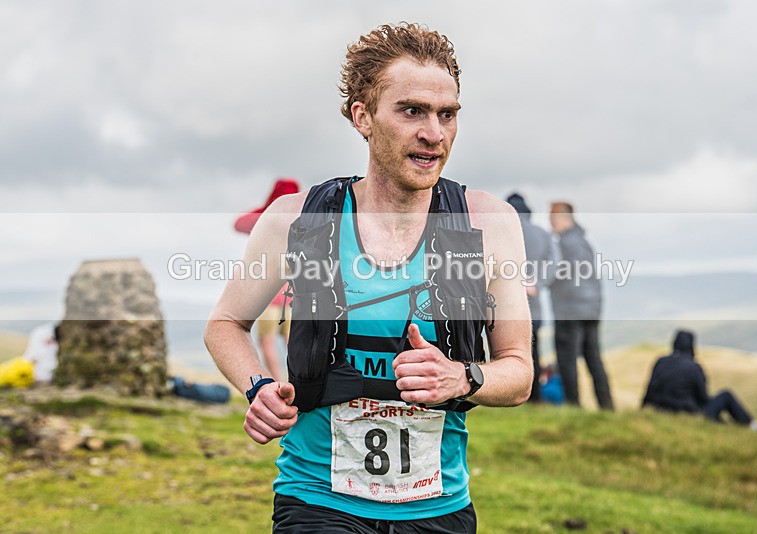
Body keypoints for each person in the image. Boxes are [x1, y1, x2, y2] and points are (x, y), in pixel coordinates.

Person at [205, 22, 532, 533]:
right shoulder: (297, 219)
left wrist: (461, 376)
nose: (434, 133)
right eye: (411, 111)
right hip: (317, 500)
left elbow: (519, 372)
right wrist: (259, 387)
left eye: (447, 114)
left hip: (438, 509)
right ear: (363, 116)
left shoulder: (488, 223)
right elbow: (225, 323)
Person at [234, 178, 301, 382]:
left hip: (269, 299)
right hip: (295, 300)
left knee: (267, 342)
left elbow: (239, 224)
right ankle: (299, 385)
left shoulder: (265, 222)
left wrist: (267, 209)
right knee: (293, 344)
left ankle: (278, 386)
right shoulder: (304, 225)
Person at [549, 201, 613, 410]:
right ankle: (607, 406)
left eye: (552, 218)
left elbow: (559, 274)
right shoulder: (584, 242)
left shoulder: (565, 244)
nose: (551, 223)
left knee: (567, 360)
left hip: (570, 310)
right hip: (591, 309)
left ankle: (573, 406)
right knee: (593, 358)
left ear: (563, 217)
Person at [642, 330, 757, 428]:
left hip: (660, 411)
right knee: (726, 396)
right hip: (688, 415)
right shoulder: (693, 367)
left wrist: (642, 412)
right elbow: (703, 397)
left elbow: (649, 390)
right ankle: (753, 427)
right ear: (692, 346)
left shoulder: (660, 362)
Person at [506, 193, 553, 402]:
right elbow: (556, 262)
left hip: (506, 307)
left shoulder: (503, 230)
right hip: (534, 307)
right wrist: (537, 283)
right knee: (534, 351)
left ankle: (511, 396)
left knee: (508, 353)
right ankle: (535, 397)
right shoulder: (542, 234)